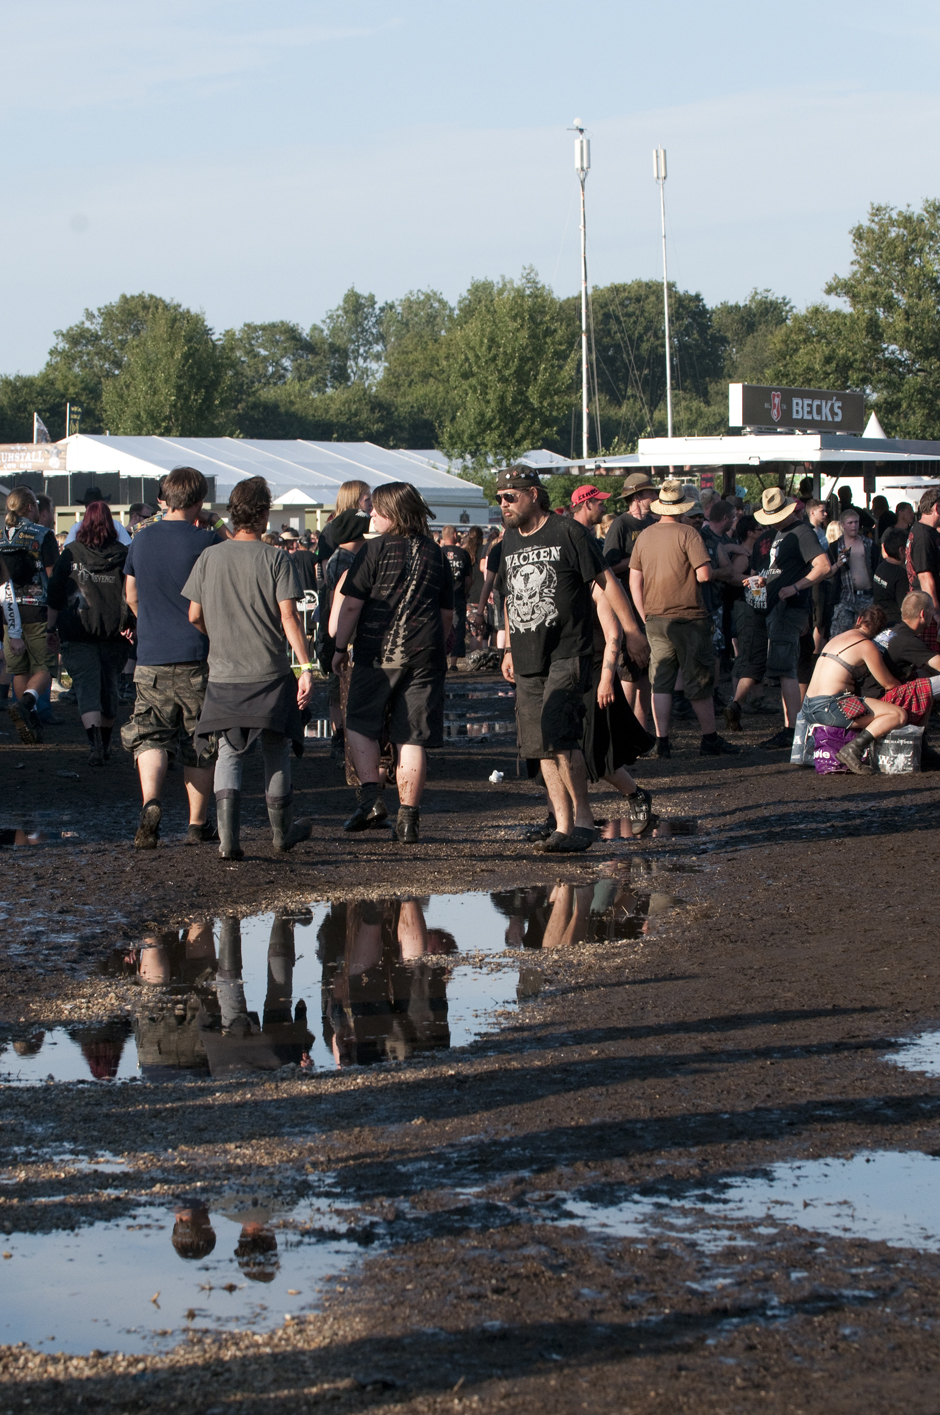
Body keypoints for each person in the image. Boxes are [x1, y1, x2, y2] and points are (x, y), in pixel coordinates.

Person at [496, 466, 650, 853]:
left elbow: (606, 581)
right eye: (499, 498)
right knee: (539, 744)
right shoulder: (509, 540)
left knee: (560, 733)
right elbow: (509, 596)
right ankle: (562, 825)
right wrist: (509, 647)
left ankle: (583, 820)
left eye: (509, 496)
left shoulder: (568, 531)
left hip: (568, 651)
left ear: (533, 493)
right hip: (528, 657)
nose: (503, 504)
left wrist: (632, 632)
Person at [184, 477, 314, 860]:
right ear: (261, 514)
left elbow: (193, 615)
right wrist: (305, 665)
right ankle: (281, 834)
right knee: (276, 750)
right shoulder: (276, 558)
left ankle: (228, 843)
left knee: (229, 754)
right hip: (270, 673)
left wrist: (218, 636)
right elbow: (288, 615)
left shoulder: (209, 557)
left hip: (224, 674)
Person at [331, 482, 453, 844]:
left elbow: (351, 604)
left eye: (376, 510)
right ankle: (409, 819)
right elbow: (446, 615)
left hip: (376, 652)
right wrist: (437, 651)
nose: (370, 515)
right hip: (425, 654)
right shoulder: (436, 554)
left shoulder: (374, 550)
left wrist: (339, 648)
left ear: (393, 514)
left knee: (359, 721)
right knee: (411, 734)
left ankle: (371, 799)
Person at [121, 466, 226, 849]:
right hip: (197, 654)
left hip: (151, 654)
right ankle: (197, 822)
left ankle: (151, 801)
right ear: (199, 501)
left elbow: (130, 594)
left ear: (165, 497)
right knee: (201, 740)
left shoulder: (141, 540)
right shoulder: (207, 540)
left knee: (149, 733)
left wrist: (148, 621)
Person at [629, 480, 739, 758]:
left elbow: (634, 580)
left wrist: (644, 616)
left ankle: (662, 742)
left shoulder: (645, 536)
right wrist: (720, 572)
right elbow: (703, 575)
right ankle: (709, 738)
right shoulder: (689, 534)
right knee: (699, 679)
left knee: (661, 681)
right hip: (690, 616)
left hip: (655, 618)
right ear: (682, 508)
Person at [569, 487, 654, 832]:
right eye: (599, 501)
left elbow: (613, 633)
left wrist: (607, 677)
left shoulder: (597, 585)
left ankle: (635, 795)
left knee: (595, 754)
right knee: (559, 751)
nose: (604, 506)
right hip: (566, 670)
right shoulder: (563, 586)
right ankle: (567, 818)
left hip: (593, 672)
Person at [45, 501, 132, 766]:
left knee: (86, 687)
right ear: (111, 524)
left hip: (78, 631)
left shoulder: (70, 554)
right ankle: (105, 744)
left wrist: (50, 628)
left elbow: (55, 595)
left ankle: (94, 745)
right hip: (115, 632)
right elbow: (133, 593)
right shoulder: (124, 554)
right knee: (110, 687)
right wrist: (133, 624)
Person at [749, 487, 831, 752]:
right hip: (780, 607)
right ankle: (792, 727)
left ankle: (793, 729)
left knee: (785, 668)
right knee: (785, 667)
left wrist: (795, 587)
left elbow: (824, 566)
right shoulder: (783, 533)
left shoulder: (802, 532)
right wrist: (763, 580)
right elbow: (780, 568)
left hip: (790, 608)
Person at [800, 606, 906, 773]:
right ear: (879, 631)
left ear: (858, 620)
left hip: (807, 706)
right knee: (898, 714)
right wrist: (906, 686)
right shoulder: (866, 645)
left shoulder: (837, 638)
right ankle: (853, 750)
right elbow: (888, 684)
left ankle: (852, 748)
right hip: (830, 706)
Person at [0, 488, 60, 744]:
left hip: (8, 612)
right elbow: (53, 576)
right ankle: (27, 704)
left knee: (20, 669)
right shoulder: (42, 535)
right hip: (38, 610)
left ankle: (28, 719)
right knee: (45, 667)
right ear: (29, 508)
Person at [603, 471, 658, 727]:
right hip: (627, 604)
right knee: (628, 670)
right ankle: (624, 728)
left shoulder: (654, 523)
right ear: (636, 497)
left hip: (652, 601)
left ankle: (642, 727)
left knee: (647, 671)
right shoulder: (621, 525)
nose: (654, 497)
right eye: (649, 493)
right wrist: (638, 561)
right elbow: (608, 568)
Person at [828, 510, 874, 636]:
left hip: (867, 596)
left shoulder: (869, 544)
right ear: (842, 525)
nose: (854, 526)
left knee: (867, 636)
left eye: (856, 522)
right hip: (845, 597)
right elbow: (826, 573)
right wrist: (838, 563)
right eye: (850, 523)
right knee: (840, 636)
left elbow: (876, 567)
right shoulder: (835, 546)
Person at [905, 488, 940, 649]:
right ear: (937, 508)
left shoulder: (922, 530)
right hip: (926, 609)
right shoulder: (924, 536)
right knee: (931, 659)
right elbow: (925, 577)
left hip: (924, 606)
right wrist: (936, 613)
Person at [440, 525, 474, 670]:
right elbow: (468, 579)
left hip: (440, 596)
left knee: (440, 626)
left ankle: (441, 659)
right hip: (458, 595)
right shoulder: (463, 553)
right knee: (458, 627)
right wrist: (466, 592)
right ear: (454, 535)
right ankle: (453, 663)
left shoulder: (438, 552)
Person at [65, 486, 132, 547]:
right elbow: (127, 547)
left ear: (86, 507)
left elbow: (68, 550)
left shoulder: (77, 527)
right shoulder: (116, 525)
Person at [871, 527, 910, 626]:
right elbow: (904, 606)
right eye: (908, 548)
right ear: (902, 550)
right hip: (894, 624)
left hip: (879, 621)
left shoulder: (881, 566)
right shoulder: (900, 574)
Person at [280, 528, 318, 594]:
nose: (293, 543)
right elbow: (317, 575)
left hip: (298, 591)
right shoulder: (313, 556)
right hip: (309, 592)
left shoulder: (292, 556)